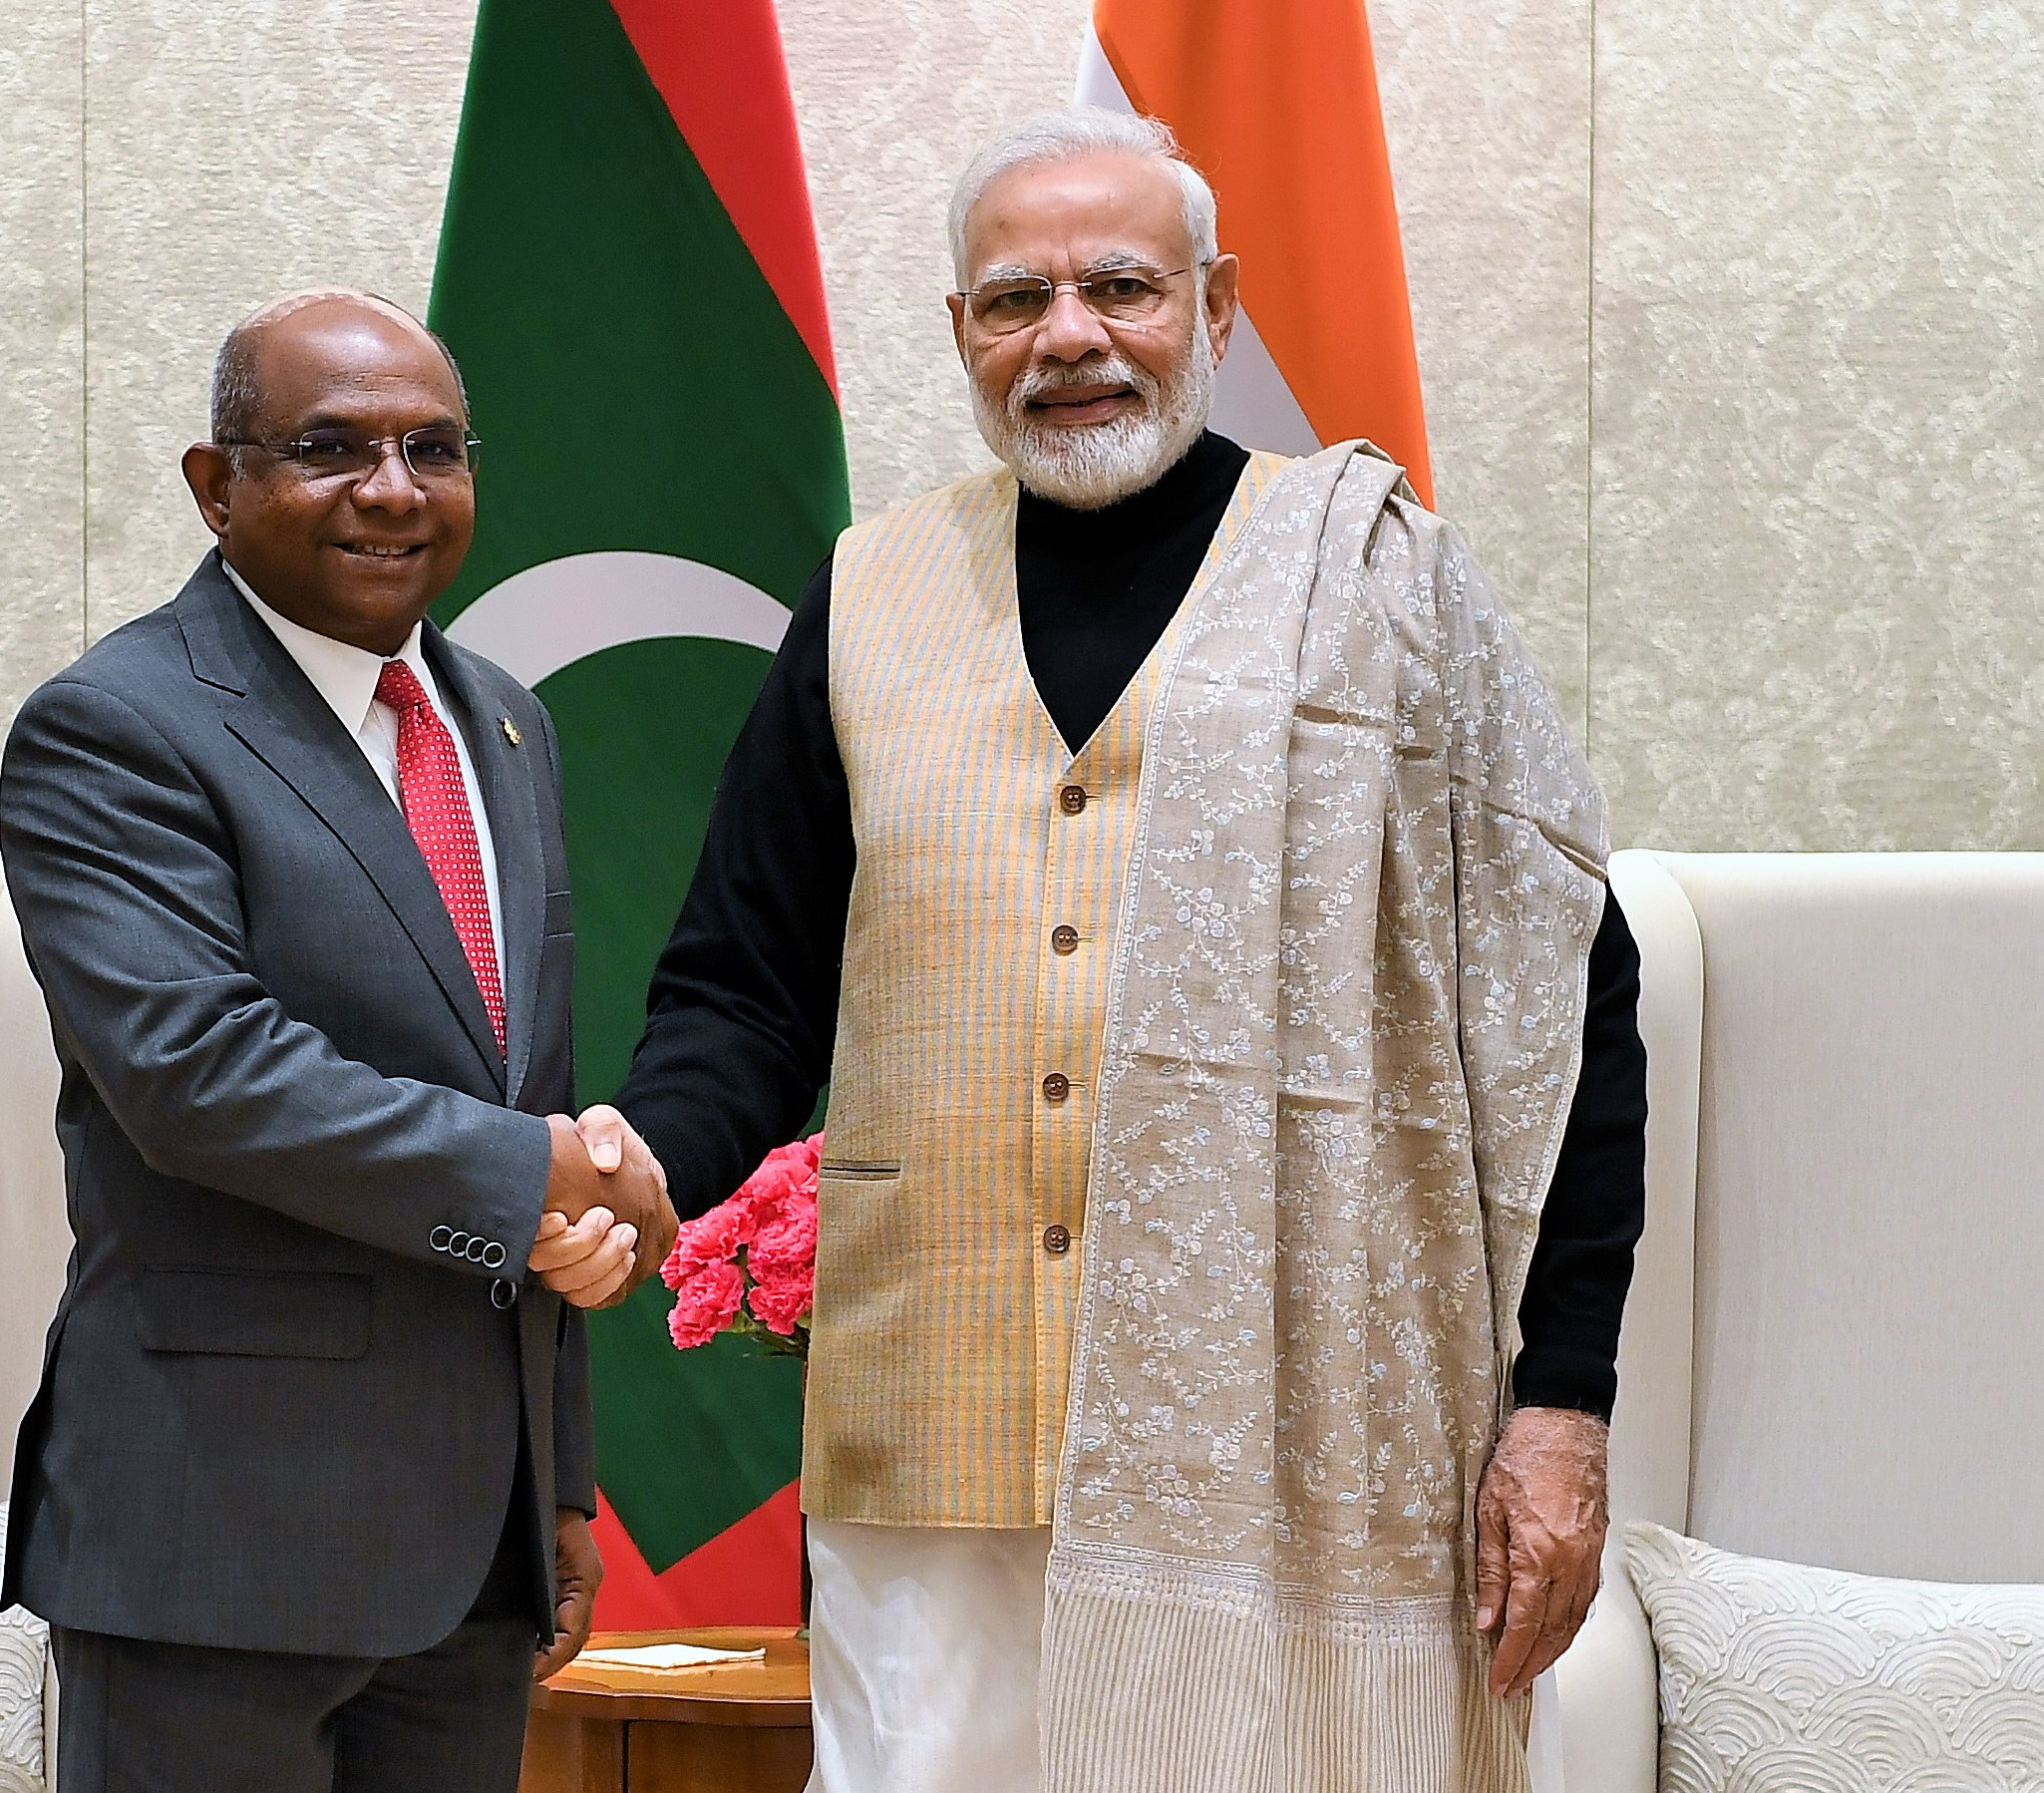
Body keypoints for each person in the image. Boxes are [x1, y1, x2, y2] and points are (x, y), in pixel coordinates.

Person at [616, 112, 1646, 1793]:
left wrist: (1565, 1397)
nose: (1071, 336)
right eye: (1015, 298)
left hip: (1288, 1438)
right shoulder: (866, 595)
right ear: (960, 332)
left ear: (1218, 306)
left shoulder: (1381, 584)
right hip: (933, 1435)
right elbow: (745, 981)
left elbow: (1563, 1002)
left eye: (1122, 286)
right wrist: (640, 1154)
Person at [0, 289, 675, 1793]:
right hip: (218, 1548)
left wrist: (556, 1475)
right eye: (330, 448)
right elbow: (196, 1077)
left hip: (472, 1562)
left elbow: (524, 1086)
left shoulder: (502, 720)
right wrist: (535, 1171)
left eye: (433, 448)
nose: (390, 489)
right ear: (213, 483)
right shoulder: (117, 724)